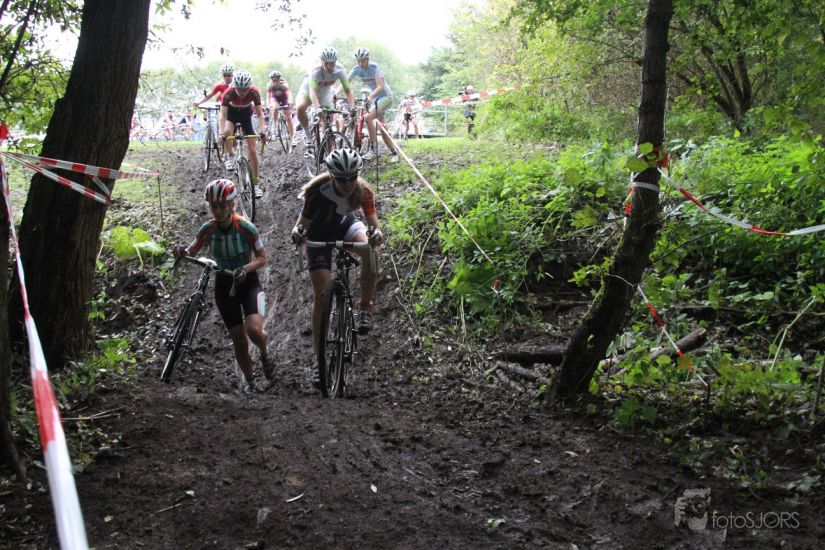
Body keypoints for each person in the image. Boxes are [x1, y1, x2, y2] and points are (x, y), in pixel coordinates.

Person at [290, 148, 384, 384]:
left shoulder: (363, 191)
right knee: (322, 296)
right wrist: (297, 234)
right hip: (318, 236)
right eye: (342, 179)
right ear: (332, 176)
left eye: (352, 177)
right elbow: (301, 225)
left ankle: (365, 308)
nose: (348, 183)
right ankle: (319, 361)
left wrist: (376, 235)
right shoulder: (317, 191)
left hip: (346, 226)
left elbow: (374, 226)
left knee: (370, 250)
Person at [173, 179, 273, 393]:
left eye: (221, 206)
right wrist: (182, 252)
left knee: (254, 330)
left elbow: (263, 258)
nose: (217, 211)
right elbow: (192, 250)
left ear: (231, 205)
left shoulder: (246, 228)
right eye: (213, 207)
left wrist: (245, 268)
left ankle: (264, 350)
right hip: (224, 284)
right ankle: (250, 382)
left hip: (249, 282)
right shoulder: (208, 229)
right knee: (239, 339)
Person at [295, 47, 355, 149]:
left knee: (328, 122)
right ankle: (308, 135)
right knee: (300, 108)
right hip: (308, 91)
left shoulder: (340, 71)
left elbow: (348, 91)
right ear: (321, 62)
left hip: (325, 92)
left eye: (332, 64)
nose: (329, 67)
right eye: (326, 63)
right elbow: (312, 92)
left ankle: (328, 150)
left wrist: (352, 108)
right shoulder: (315, 71)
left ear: (335, 62)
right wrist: (318, 108)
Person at [219, 69, 267, 194]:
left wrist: (263, 130)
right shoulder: (228, 93)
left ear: (249, 87)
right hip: (232, 114)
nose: (242, 92)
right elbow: (223, 116)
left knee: (252, 150)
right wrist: (221, 133)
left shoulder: (254, 92)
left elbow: (260, 114)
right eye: (239, 89)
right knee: (227, 132)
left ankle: (255, 184)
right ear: (234, 86)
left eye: (245, 89)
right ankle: (231, 155)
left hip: (246, 114)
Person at [347, 47, 398, 162]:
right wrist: (335, 94)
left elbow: (380, 87)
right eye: (358, 61)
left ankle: (373, 150)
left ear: (368, 59)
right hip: (376, 99)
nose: (360, 64)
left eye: (363, 61)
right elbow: (345, 83)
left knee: (367, 118)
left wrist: (370, 97)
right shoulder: (356, 69)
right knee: (382, 128)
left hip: (386, 97)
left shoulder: (374, 67)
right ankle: (394, 152)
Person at [194, 63, 235, 145]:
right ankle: (219, 137)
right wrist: (199, 102)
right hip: (224, 109)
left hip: (234, 109)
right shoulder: (219, 86)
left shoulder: (236, 84)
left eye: (229, 75)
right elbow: (208, 96)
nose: (227, 77)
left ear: (232, 75)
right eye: (225, 75)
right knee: (219, 120)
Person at [266, 70, 295, 145]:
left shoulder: (284, 84)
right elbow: (268, 97)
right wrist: (268, 105)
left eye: (277, 80)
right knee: (275, 106)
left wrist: (290, 102)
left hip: (284, 99)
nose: (275, 82)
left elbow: (289, 94)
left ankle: (292, 137)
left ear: (279, 79)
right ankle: (275, 126)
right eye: (273, 80)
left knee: (288, 117)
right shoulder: (269, 85)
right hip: (275, 99)